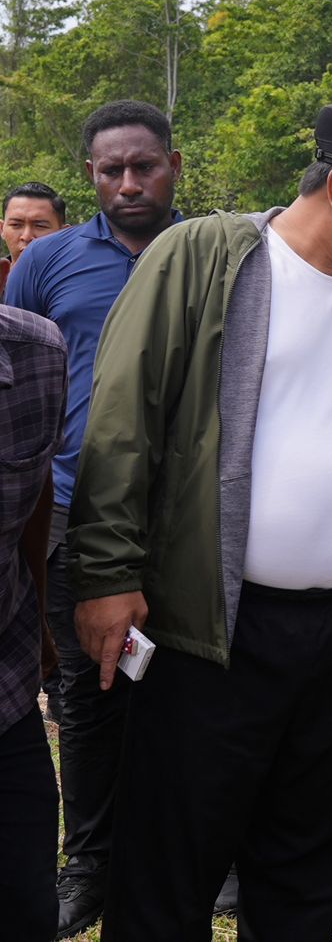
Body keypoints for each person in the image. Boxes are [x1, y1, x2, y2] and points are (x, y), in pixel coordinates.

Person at [67, 103, 332, 940]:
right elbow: (121, 419)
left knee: (310, 852)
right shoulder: (207, 258)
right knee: (174, 853)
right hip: (213, 627)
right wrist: (106, 576)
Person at [3, 100, 184, 938]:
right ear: (91, 177)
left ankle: (195, 853)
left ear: (173, 165)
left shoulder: (215, 254)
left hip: (187, 517)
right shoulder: (50, 264)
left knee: (190, 686)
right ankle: (92, 863)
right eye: (111, 170)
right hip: (76, 510)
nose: (128, 183)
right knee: (89, 693)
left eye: (143, 165)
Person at [0, 304, 67, 942]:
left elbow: (37, 489)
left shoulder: (36, 353)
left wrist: (42, 621)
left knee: (24, 904)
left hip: (5, 686)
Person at [1, 182, 69, 298]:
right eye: (16, 225)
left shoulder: (75, 284)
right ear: (2, 229)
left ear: (64, 234)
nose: (27, 237)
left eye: (40, 226)